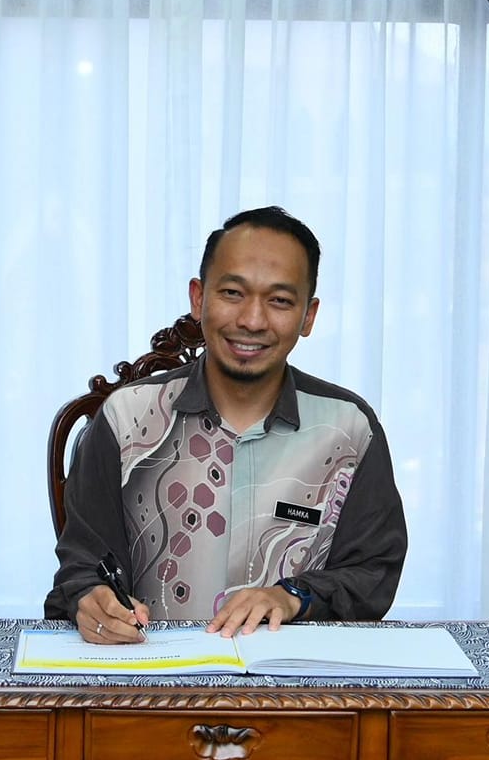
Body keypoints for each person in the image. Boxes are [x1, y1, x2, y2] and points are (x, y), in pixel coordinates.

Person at [46, 206, 406, 641]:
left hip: (298, 679)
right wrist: (89, 598)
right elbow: (82, 566)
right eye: (233, 293)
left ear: (308, 316)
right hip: (154, 674)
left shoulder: (349, 428)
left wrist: (293, 596)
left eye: (279, 300)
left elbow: (372, 574)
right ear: (199, 298)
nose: (252, 320)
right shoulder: (128, 418)